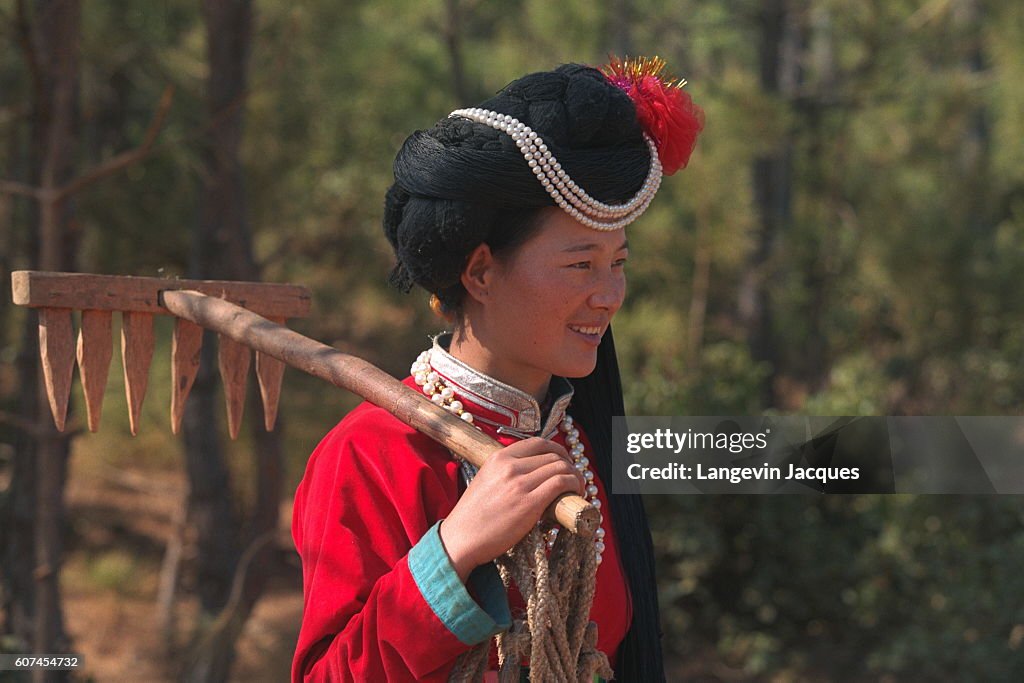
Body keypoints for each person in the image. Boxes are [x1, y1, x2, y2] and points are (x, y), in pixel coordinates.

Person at [291, 59, 703, 682]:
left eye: (617, 262)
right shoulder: (369, 455)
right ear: (481, 273)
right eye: (579, 265)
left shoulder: (584, 443)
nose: (610, 294)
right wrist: (454, 549)